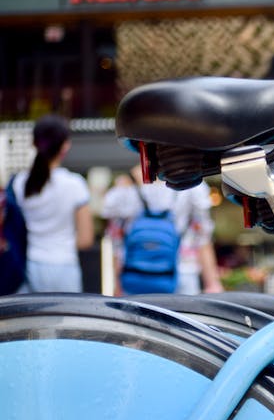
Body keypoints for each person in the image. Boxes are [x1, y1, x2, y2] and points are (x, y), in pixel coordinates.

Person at [101, 164, 223, 295]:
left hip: (135, 275)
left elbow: (117, 243)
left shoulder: (123, 189)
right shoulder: (192, 186)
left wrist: (117, 285)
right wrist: (212, 284)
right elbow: (203, 239)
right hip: (182, 271)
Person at [10, 114, 94, 292]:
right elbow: (86, 239)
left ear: (34, 143)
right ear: (65, 146)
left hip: (29, 267)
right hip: (65, 267)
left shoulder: (19, 183)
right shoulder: (75, 184)